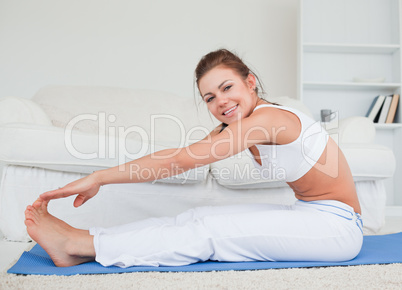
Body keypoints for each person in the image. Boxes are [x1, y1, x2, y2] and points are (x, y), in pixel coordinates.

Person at [24, 49, 363, 268]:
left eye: (228, 88)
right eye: (210, 97)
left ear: (251, 82)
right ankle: (90, 238)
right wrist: (100, 175)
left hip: (338, 227)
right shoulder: (241, 123)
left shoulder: (268, 120)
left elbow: (180, 162)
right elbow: (175, 157)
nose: (221, 102)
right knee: (200, 216)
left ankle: (80, 245)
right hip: (310, 213)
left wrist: (98, 178)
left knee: (210, 232)